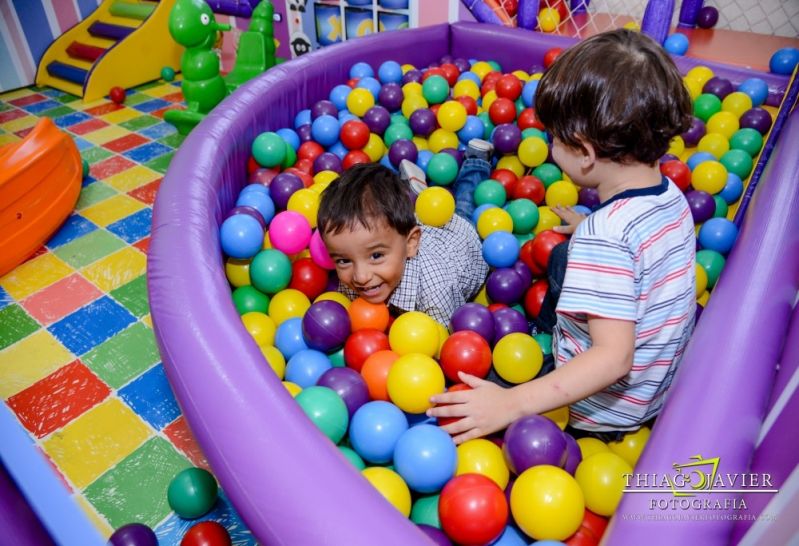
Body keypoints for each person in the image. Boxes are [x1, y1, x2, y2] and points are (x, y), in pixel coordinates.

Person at [427, 28, 696, 445]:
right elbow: (641, 254)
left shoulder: (605, 236)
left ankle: (537, 348)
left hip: (596, 410)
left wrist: (511, 403)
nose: (547, 143)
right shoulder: (670, 194)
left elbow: (613, 358)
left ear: (585, 154)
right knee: (561, 257)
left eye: (554, 137)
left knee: (463, 391)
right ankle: (544, 330)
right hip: (652, 391)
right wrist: (589, 225)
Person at [316, 161, 489, 326]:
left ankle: (475, 162)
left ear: (410, 244)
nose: (361, 277)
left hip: (458, 239)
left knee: (465, 206)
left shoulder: (435, 293)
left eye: (376, 256)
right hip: (410, 228)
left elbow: (444, 339)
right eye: (343, 261)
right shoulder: (361, 267)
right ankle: (414, 194)